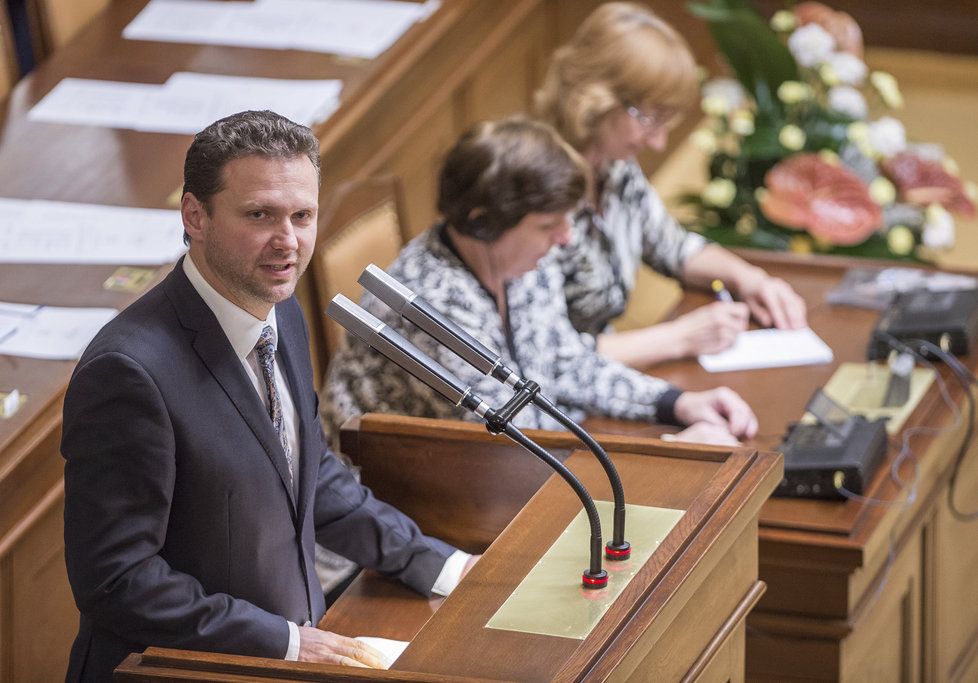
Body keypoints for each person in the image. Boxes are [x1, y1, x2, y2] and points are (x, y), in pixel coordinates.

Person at [61, 110, 473, 682]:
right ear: (194, 216)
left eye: (302, 216)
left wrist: (443, 566)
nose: (288, 242)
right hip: (179, 670)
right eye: (259, 215)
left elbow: (309, 477)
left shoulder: (283, 313)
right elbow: (117, 579)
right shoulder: (129, 373)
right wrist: (283, 642)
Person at [324, 117, 757, 445]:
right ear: (483, 224)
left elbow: (566, 363)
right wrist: (667, 450)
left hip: (484, 472)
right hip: (396, 505)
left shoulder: (521, 261)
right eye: (549, 225)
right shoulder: (432, 307)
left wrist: (675, 403)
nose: (566, 239)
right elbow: (516, 439)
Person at [535, 2, 808, 368]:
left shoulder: (615, 169)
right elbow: (545, 358)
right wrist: (681, 338)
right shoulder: (532, 188)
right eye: (649, 118)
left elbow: (674, 247)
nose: (658, 142)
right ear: (596, 97)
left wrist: (751, 280)